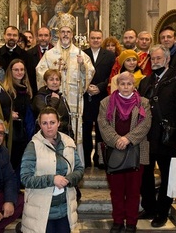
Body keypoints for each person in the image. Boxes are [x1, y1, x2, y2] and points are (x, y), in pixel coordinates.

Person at [138, 44, 176, 228]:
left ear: (167, 59)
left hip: (168, 137)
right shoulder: (145, 82)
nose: (155, 61)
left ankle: (162, 211)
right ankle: (149, 207)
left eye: (159, 58)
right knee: (145, 175)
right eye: (153, 58)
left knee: (167, 175)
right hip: (146, 137)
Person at [36, 13, 95, 167]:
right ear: (58, 33)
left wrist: (82, 66)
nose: (65, 35)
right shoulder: (49, 55)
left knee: (75, 130)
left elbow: (89, 72)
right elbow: (40, 71)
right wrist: (51, 85)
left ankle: (74, 165)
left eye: (68, 32)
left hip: (74, 101)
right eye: (63, 32)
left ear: (72, 34)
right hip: (55, 101)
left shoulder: (80, 54)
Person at [98, 71, 152, 233]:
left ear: (134, 85)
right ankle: (118, 221)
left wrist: (128, 139)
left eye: (129, 83)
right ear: (117, 85)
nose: (126, 87)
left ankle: (131, 223)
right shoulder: (105, 103)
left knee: (134, 192)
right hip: (114, 152)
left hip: (136, 152)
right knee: (116, 191)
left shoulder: (143, 103)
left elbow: (146, 124)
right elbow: (103, 124)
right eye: (122, 83)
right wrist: (116, 140)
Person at [20, 106, 84, 233]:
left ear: (58, 123)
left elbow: (79, 169)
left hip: (65, 209)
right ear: (40, 125)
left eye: (52, 122)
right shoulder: (33, 146)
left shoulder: (68, 142)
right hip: (41, 212)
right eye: (45, 123)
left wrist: (69, 179)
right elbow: (25, 178)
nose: (49, 127)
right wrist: (52, 179)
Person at [82, 30, 115, 168]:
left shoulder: (110, 55)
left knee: (102, 129)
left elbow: (112, 75)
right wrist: (87, 86)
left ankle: (100, 159)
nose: (95, 40)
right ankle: (86, 159)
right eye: (93, 38)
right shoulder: (82, 54)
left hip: (102, 97)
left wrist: (100, 87)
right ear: (88, 39)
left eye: (98, 38)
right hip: (85, 96)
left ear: (102, 39)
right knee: (86, 129)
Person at [3, 59, 35, 185]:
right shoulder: (7, 90)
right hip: (13, 132)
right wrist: (9, 114)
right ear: (10, 72)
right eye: (16, 70)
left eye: (22, 70)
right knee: (13, 161)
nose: (19, 72)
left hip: (24, 131)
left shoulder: (26, 88)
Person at [32, 69, 73, 138]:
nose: (55, 82)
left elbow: (67, 121)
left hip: (63, 137)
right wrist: (54, 100)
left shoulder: (61, 98)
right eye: (51, 80)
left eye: (57, 80)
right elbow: (45, 115)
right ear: (45, 82)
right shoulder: (39, 98)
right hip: (46, 138)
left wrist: (71, 137)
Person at [108, 29, 138, 94]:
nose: (128, 40)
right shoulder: (118, 58)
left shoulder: (143, 56)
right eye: (125, 38)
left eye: (131, 37)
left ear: (136, 39)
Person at [27, 27, 55, 96]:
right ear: (36, 37)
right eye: (40, 35)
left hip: (54, 90)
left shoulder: (56, 52)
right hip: (36, 91)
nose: (43, 38)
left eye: (46, 35)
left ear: (50, 37)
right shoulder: (29, 54)